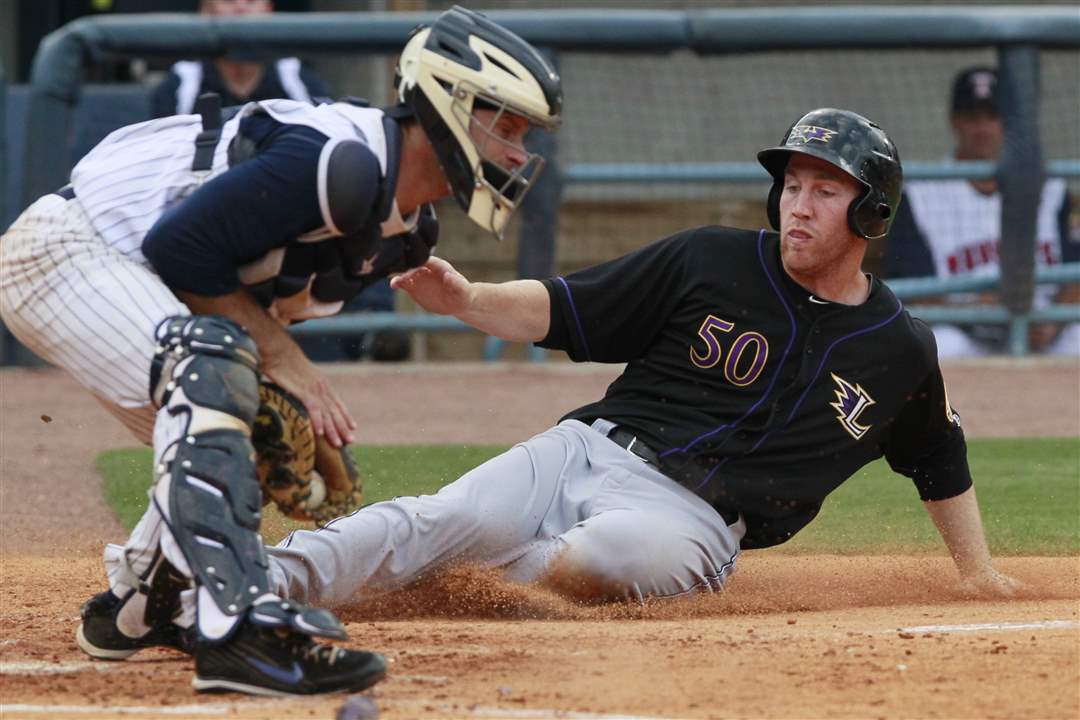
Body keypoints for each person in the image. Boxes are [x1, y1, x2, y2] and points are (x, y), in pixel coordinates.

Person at [0, 6, 561, 696]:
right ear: (448, 102)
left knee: (265, 428)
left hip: (134, 284)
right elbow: (177, 250)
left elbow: (239, 298)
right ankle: (237, 632)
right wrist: (286, 362)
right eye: (505, 125)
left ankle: (148, 601)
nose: (516, 151)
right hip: (64, 253)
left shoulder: (403, 231)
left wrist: (280, 390)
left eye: (523, 134)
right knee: (223, 374)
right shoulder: (341, 162)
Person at [262, 108, 1023, 613]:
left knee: (603, 560)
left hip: (691, 521)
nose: (798, 204)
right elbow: (565, 306)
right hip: (583, 450)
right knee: (445, 516)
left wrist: (976, 572)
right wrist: (468, 300)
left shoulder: (898, 348)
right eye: (791, 186)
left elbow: (938, 456)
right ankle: (258, 580)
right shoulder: (710, 260)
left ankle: (431, 592)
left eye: (825, 191)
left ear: (871, 214)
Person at [885, 66, 1079, 357]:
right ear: (954, 122)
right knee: (940, 345)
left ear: (1010, 122)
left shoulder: (1052, 189)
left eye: (993, 116)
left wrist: (1052, 321)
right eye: (972, 117)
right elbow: (913, 293)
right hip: (964, 333)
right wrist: (975, 311)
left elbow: (1075, 277)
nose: (983, 128)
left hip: (1044, 331)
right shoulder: (920, 195)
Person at [150, 0, 331, 118]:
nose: (241, 8)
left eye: (251, 1)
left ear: (268, 11)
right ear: (206, 11)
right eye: (229, 1)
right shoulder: (183, 81)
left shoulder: (295, 76)